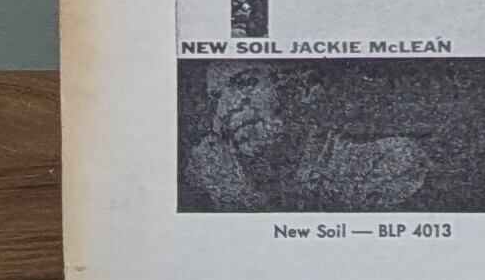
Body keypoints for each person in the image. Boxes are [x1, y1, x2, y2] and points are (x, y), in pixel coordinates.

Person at [183, 63, 430, 211]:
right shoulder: (212, 169)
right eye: (217, 97)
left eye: (246, 83)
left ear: (305, 88)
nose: (226, 109)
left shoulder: (386, 161)